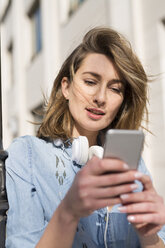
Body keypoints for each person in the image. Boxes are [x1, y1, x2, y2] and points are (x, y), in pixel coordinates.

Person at [5, 27, 165, 248]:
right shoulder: (27, 155)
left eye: (115, 89)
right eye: (90, 82)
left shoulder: (132, 164)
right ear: (66, 87)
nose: (100, 98)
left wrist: (150, 237)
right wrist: (68, 211)